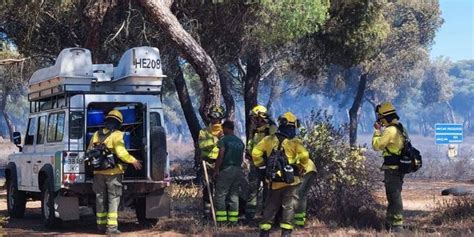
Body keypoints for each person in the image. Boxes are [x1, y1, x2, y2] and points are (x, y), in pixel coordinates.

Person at [252, 112, 310, 237]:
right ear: (292, 126)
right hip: (291, 181)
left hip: (274, 181)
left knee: (270, 206)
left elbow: (255, 153)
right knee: (289, 206)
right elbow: (305, 156)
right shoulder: (295, 142)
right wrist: (301, 168)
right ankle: (286, 233)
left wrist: (262, 167)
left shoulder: (268, 139)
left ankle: (264, 232)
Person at [88, 109, 142, 234]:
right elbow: (121, 153)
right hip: (113, 173)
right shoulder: (117, 135)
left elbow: (89, 152)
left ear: (106, 121)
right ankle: (111, 228)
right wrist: (133, 161)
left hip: (97, 174)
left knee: (100, 198)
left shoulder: (96, 134)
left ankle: (100, 226)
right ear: (119, 123)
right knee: (113, 199)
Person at [372, 102, 406, 232]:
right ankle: (390, 224)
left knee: (394, 196)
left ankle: (397, 226)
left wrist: (376, 131)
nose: (379, 121)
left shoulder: (389, 130)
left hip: (392, 169)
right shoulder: (400, 128)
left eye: (380, 118)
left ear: (384, 117)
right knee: (393, 196)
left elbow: (377, 145)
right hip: (399, 168)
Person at [245, 105, 277, 221]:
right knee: (252, 189)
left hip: (268, 165)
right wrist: (248, 152)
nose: (253, 120)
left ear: (260, 117)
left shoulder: (271, 129)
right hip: (255, 164)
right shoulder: (254, 130)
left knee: (268, 191)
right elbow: (250, 143)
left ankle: (266, 216)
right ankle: (249, 217)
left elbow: (275, 145)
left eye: (254, 118)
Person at [213, 120, 245, 225]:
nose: (222, 131)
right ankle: (233, 221)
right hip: (238, 170)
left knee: (221, 195)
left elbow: (220, 155)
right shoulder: (240, 142)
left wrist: (216, 169)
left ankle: (222, 222)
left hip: (226, 170)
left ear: (227, 128)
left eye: (223, 129)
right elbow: (241, 159)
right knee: (234, 196)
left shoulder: (224, 140)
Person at [198, 105, 225, 217]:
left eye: (217, 119)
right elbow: (202, 145)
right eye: (213, 118)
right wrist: (216, 139)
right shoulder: (204, 132)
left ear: (221, 119)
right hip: (207, 163)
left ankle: (220, 214)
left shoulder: (225, 131)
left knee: (221, 188)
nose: (215, 121)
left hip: (222, 163)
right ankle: (207, 214)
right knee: (207, 188)